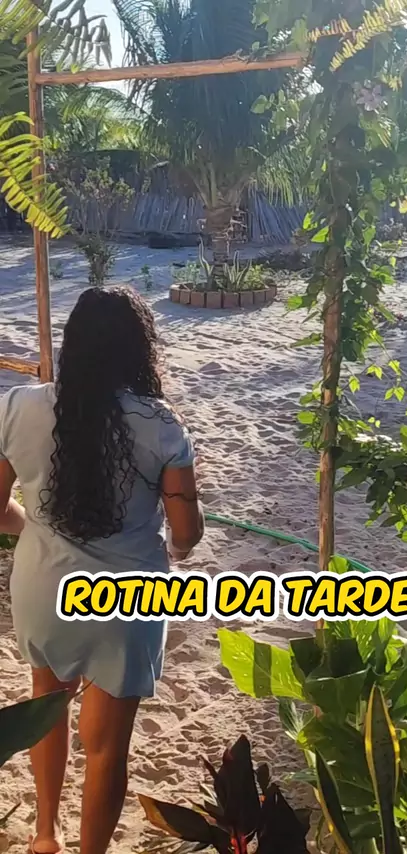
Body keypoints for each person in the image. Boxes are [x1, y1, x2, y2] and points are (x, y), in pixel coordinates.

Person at [0, 287, 204, 854]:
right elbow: (186, 533)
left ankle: (45, 834)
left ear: (73, 344)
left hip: (43, 587)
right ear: (139, 349)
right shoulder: (161, 425)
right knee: (108, 747)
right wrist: (181, 546)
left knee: (45, 705)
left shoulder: (17, 407)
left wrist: (34, 529)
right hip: (127, 601)